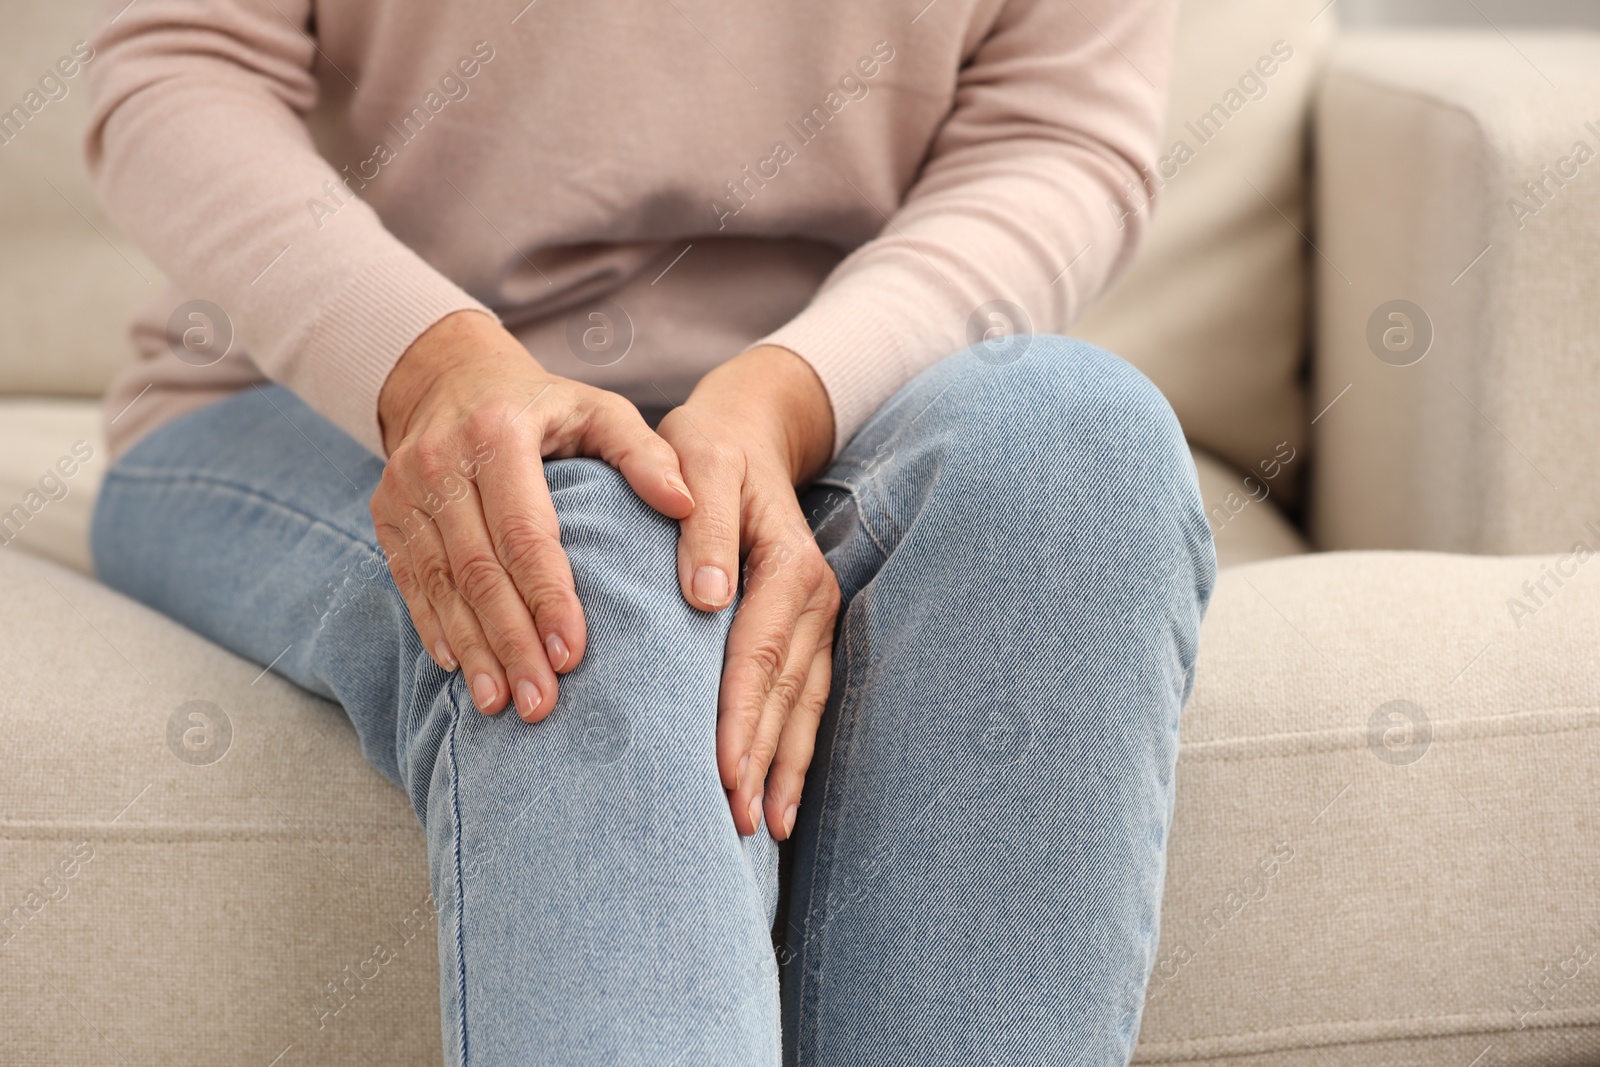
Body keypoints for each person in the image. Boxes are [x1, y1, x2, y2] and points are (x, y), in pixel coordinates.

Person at [84, 0, 1214, 1063]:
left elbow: (1054, 135)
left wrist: (788, 397)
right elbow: (180, 65)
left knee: (1077, 441)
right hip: (333, 388)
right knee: (575, 555)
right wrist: (433, 364)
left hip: (851, 390)